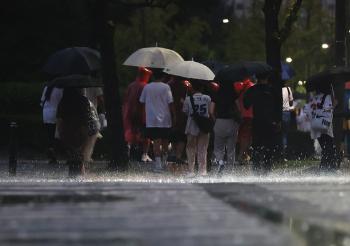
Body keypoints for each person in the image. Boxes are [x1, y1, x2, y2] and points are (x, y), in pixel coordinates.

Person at [57, 88, 101, 176]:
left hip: (68, 130)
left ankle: (73, 172)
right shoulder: (84, 101)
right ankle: (80, 172)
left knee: (73, 152)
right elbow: (92, 118)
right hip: (82, 130)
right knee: (80, 153)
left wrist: (61, 132)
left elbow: (59, 119)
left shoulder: (63, 102)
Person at [139, 68, 175, 172]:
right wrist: (174, 115)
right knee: (165, 143)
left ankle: (158, 165)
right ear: (163, 77)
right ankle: (164, 163)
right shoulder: (166, 87)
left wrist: (144, 117)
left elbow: (142, 102)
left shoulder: (147, 87)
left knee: (156, 142)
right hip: (165, 119)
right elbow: (170, 102)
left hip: (152, 119)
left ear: (153, 76)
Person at [243, 72, 279, 175]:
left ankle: (256, 170)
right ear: (267, 77)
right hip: (270, 121)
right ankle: (267, 169)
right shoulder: (272, 90)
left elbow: (246, 104)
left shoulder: (253, 89)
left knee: (256, 146)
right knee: (269, 146)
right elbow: (278, 106)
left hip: (257, 121)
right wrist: (277, 121)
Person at [183, 80, 214, 176]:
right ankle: (202, 171)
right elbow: (210, 111)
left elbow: (185, 111)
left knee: (190, 147)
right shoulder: (207, 98)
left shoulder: (188, 99)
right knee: (203, 148)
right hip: (204, 125)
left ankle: (191, 171)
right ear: (202, 88)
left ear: (192, 88)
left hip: (192, 124)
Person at [123, 67, 153, 162]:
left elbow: (126, 99)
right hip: (142, 113)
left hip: (130, 112)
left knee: (130, 131)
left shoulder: (131, 85)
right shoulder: (146, 86)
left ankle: (127, 150)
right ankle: (144, 154)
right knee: (145, 134)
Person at [213, 80, 241, 174]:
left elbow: (211, 110)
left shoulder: (217, 94)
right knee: (231, 148)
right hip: (232, 122)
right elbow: (239, 108)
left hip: (219, 121)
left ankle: (220, 162)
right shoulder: (234, 94)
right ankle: (230, 171)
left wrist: (215, 119)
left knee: (218, 147)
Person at [306, 86, 336, 171]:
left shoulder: (315, 97)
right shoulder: (328, 97)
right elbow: (328, 111)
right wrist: (334, 105)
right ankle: (328, 169)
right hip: (324, 126)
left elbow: (308, 111)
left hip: (316, 125)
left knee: (326, 148)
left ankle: (324, 168)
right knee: (329, 148)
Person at [167, 76, 190, 164]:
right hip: (182, 113)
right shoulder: (186, 85)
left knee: (174, 134)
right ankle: (178, 156)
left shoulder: (169, 84)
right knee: (182, 136)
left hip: (170, 112)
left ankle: (173, 153)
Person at [40, 85, 63, 164]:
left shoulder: (47, 87)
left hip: (46, 112)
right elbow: (62, 101)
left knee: (49, 134)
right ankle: (53, 151)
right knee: (55, 135)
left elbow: (42, 101)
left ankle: (50, 151)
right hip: (55, 112)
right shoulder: (60, 88)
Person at [235, 78, 254, 165]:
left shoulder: (237, 86)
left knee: (239, 135)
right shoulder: (252, 86)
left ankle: (242, 155)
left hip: (238, 115)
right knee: (246, 137)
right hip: (249, 115)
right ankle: (242, 156)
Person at [282, 86, 294, 151]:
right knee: (284, 134)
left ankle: (276, 153)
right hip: (286, 113)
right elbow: (291, 101)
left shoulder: (274, 87)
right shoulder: (288, 88)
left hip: (277, 113)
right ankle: (283, 154)